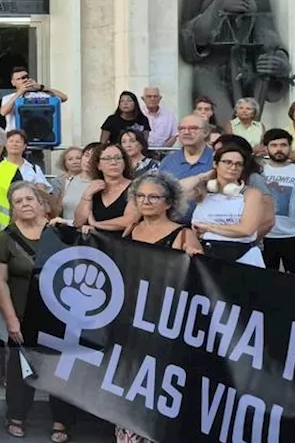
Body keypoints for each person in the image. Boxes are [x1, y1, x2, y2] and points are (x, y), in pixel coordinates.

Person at [114, 172, 202, 443]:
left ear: (169, 202)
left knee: (158, 385)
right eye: (140, 196)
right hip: (130, 318)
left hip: (165, 321)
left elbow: (202, 280)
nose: (146, 201)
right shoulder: (131, 230)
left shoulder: (184, 233)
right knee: (128, 381)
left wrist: (196, 260)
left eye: (154, 197)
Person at [0, 182, 80, 442]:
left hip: (60, 315)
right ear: (13, 208)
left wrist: (79, 228)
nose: (25, 204)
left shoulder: (62, 232)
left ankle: (62, 419)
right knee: (20, 369)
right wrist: (10, 320)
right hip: (20, 314)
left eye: (30, 198)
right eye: (18, 201)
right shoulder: (5, 237)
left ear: (42, 203)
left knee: (59, 368)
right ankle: (16, 415)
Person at [190, 142, 265, 267]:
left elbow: (246, 229)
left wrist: (208, 227)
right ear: (215, 163)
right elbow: (175, 191)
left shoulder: (251, 193)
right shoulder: (203, 191)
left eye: (238, 164)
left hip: (243, 255)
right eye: (227, 162)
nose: (233, 167)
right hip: (206, 253)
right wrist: (201, 177)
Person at [260, 128, 295, 273]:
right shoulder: (258, 172)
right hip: (264, 236)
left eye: (283, 145)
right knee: (265, 282)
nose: (279, 149)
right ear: (266, 148)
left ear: (290, 147)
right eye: (274, 145)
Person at [75, 143, 138, 235]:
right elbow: (78, 222)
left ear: (124, 163)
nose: (113, 162)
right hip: (96, 246)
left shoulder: (136, 187)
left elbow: (129, 220)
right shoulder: (94, 189)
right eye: (107, 158)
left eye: (118, 158)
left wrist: (96, 224)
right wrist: (87, 195)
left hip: (125, 244)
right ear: (98, 165)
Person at [0, 67, 68, 132]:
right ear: (13, 83)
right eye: (20, 79)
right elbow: (3, 112)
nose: (25, 80)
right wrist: (20, 92)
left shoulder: (39, 95)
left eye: (26, 77)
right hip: (16, 136)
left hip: (38, 134)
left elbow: (64, 98)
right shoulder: (8, 98)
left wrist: (41, 88)